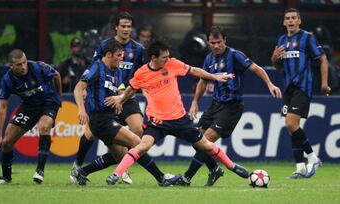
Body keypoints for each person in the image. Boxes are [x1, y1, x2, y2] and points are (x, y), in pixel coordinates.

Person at [105, 40, 249, 186]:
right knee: (142, 146)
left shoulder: (172, 64)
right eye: (164, 57)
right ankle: (116, 174)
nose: (167, 59)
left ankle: (232, 166)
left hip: (180, 120)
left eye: (168, 56)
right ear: (153, 58)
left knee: (206, 145)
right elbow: (130, 89)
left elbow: (194, 70)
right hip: (157, 122)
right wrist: (122, 100)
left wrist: (214, 77)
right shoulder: (142, 73)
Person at [181, 26, 282, 186]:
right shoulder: (209, 59)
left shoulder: (235, 56)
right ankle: (214, 169)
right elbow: (202, 80)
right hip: (215, 105)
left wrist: (270, 84)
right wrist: (195, 102)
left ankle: (186, 177)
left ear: (225, 40)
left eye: (219, 42)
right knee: (196, 140)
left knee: (206, 140)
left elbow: (255, 68)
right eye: (212, 43)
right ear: (208, 42)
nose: (215, 46)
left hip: (231, 107)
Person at [70, 40, 174, 186]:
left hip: (111, 117)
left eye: (122, 55)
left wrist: (120, 101)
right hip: (100, 119)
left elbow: (119, 89)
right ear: (108, 54)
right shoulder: (97, 67)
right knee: (137, 143)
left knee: (121, 155)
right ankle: (161, 178)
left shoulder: (117, 71)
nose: (121, 59)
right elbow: (78, 88)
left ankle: (82, 172)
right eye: (118, 55)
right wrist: (81, 109)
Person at [70, 12, 147, 184]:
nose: (126, 29)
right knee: (89, 134)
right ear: (116, 27)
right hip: (105, 94)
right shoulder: (105, 45)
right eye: (123, 26)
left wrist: (138, 90)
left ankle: (123, 166)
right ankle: (77, 165)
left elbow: (143, 72)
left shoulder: (139, 49)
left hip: (125, 94)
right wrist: (84, 87)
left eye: (129, 26)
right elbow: (94, 68)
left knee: (137, 129)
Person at [271, 8, 331, 179]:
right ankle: (300, 168)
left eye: (293, 18)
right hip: (288, 88)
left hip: (303, 86)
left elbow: (323, 59)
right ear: (284, 22)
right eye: (287, 18)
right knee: (291, 128)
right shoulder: (282, 40)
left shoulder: (307, 37)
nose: (290, 21)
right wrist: (274, 59)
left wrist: (324, 83)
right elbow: (278, 66)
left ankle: (313, 158)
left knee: (291, 124)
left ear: (299, 21)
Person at [0, 49, 62, 184]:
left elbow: (56, 75)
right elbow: (2, 107)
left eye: (24, 62)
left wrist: (59, 98)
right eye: (19, 65)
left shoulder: (38, 67)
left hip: (48, 103)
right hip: (28, 107)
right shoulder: (8, 79)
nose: (23, 67)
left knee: (44, 126)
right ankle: (6, 178)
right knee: (6, 143)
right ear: (11, 66)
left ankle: (40, 171)